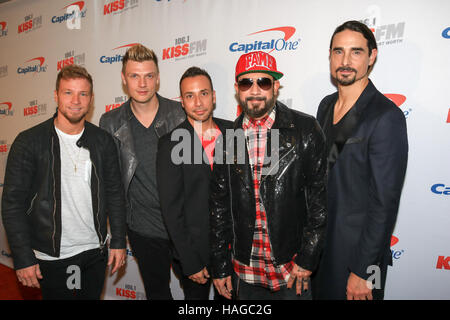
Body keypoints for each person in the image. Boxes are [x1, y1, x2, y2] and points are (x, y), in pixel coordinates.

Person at [1, 65, 126, 300]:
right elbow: (12, 204)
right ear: (56, 95)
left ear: (91, 98)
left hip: (94, 252)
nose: (76, 101)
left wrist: (118, 240)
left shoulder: (103, 141)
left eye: (83, 94)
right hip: (53, 257)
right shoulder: (29, 142)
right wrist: (23, 257)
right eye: (68, 92)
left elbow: (115, 192)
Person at [210, 51, 328, 300]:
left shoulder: (305, 130)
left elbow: (320, 202)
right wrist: (220, 266)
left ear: (276, 86)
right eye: (246, 82)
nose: (254, 90)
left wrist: (307, 259)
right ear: (237, 89)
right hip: (246, 272)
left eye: (263, 82)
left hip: (292, 271)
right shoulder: (229, 138)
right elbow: (219, 208)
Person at [313, 20, 408, 300]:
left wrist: (363, 270)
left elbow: (384, 203)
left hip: (358, 259)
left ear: (372, 56)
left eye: (356, 52)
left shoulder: (385, 116)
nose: (345, 61)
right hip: (320, 252)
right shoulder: (325, 105)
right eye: (338, 51)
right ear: (330, 55)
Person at [99, 44, 185, 300]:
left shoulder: (180, 114)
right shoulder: (110, 122)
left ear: (158, 78)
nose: (142, 83)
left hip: (184, 226)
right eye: (135, 75)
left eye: (149, 75)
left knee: (197, 292)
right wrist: (117, 232)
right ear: (124, 80)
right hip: (142, 229)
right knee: (158, 294)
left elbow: (197, 175)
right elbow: (111, 183)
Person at [156, 67, 232, 300]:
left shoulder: (233, 132)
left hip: (232, 252)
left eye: (204, 93)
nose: (198, 102)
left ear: (214, 96)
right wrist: (190, 261)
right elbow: (171, 209)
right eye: (190, 96)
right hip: (195, 255)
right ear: (182, 102)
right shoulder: (170, 143)